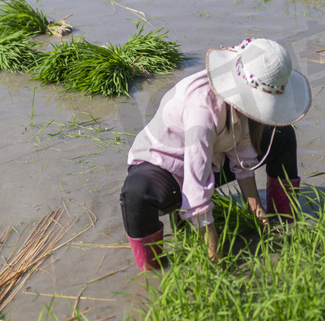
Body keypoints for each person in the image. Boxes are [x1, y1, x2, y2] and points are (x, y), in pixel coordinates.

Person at [121, 38, 311, 270]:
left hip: (213, 160)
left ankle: (284, 222)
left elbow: (242, 156)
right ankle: (154, 271)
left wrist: (256, 211)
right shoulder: (201, 108)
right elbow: (195, 182)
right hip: (167, 167)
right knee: (137, 193)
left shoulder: (243, 102)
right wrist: (214, 257)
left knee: (281, 135)